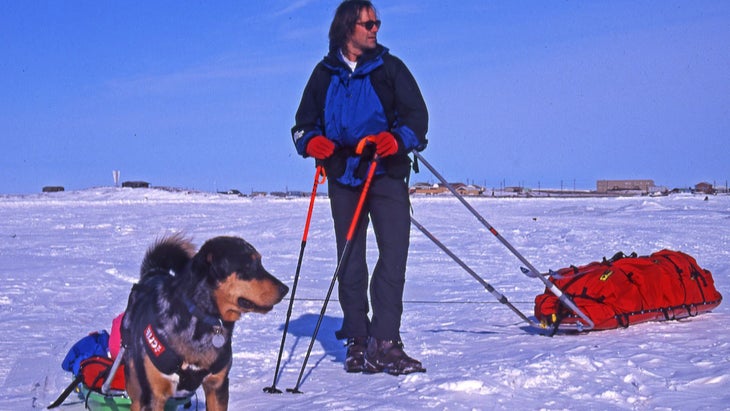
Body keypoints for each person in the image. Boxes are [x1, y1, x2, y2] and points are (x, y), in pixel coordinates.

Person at [291, 0, 428, 375]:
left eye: (377, 23)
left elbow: (418, 118)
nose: (375, 29)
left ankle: (385, 342)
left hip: (385, 173)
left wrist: (395, 139)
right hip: (344, 176)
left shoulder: (391, 69)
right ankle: (358, 341)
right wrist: (311, 143)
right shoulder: (324, 73)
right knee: (350, 258)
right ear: (347, 27)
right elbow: (302, 125)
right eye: (368, 23)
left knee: (393, 255)